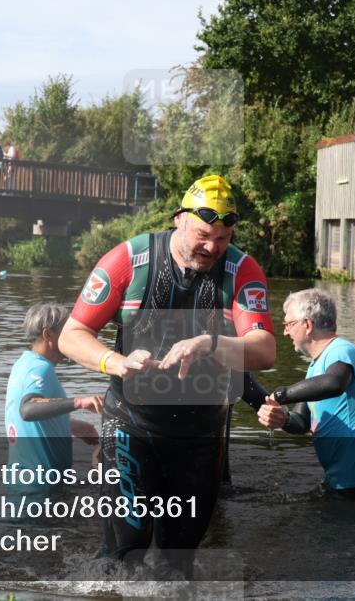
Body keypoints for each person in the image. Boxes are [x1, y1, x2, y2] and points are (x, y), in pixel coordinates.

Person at [58, 174, 276, 574]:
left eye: (223, 238)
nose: (212, 248)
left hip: (200, 434)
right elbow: (71, 336)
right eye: (203, 235)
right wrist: (116, 362)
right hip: (130, 424)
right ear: (179, 219)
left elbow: (264, 351)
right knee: (125, 552)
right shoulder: (128, 259)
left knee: (179, 562)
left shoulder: (241, 270)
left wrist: (210, 342)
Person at [258, 288, 355, 501]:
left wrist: (281, 394)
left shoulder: (342, 350)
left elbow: (334, 383)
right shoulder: (315, 368)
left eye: (288, 324)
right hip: (344, 478)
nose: (285, 332)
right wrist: (283, 419)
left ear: (307, 325)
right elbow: (302, 422)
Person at [6, 304, 104, 484]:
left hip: (25, 480)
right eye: (66, 334)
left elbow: (24, 420)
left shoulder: (23, 364)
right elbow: (27, 410)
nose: (72, 340)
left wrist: (70, 425)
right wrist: (79, 402)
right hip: (40, 487)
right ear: (48, 335)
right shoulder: (40, 369)